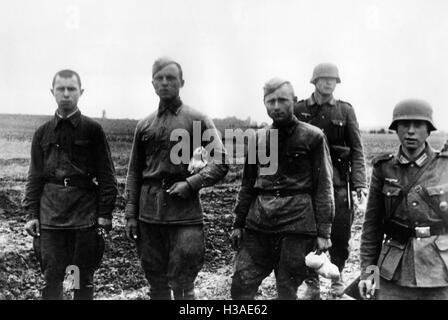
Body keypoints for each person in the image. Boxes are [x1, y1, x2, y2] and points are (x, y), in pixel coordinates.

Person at [124, 57, 229, 300]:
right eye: (159, 78)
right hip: (149, 214)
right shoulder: (144, 125)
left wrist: (191, 184)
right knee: (156, 283)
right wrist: (131, 213)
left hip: (184, 213)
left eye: (170, 78)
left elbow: (221, 161)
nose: (164, 83)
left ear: (181, 82)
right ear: (152, 84)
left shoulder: (198, 119)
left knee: (183, 285)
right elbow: (133, 172)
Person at [230, 78, 334, 300]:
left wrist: (324, 232)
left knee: (287, 289)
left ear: (294, 101)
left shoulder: (313, 136)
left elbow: (323, 186)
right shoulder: (257, 139)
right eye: (270, 101)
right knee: (241, 284)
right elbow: (248, 184)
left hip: (296, 225)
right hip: (259, 223)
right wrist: (238, 223)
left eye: (282, 100)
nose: (276, 106)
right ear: (264, 103)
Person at [23, 69, 118, 300]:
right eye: (61, 89)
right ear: (52, 92)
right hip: (51, 218)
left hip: (83, 217)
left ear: (81, 92)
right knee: (52, 278)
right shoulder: (42, 133)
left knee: (80, 279)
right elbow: (34, 177)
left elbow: (107, 176)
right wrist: (31, 214)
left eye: (71, 89)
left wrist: (104, 213)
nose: (66, 94)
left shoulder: (92, 130)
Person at [359, 99, 448, 300]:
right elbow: (372, 226)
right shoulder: (384, 168)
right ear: (396, 129)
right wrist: (368, 273)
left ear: (428, 130)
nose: (410, 131)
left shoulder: (445, 166)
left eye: (418, 125)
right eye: (404, 125)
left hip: (440, 271)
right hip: (394, 272)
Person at [294, 63, 367, 299]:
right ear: (314, 81)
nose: (329, 83)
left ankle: (338, 277)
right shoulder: (299, 108)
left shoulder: (345, 111)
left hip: (337, 182)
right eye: (324, 79)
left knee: (340, 231)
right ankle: (311, 280)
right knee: (307, 230)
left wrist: (359, 184)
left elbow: (356, 150)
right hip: (306, 181)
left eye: (333, 79)